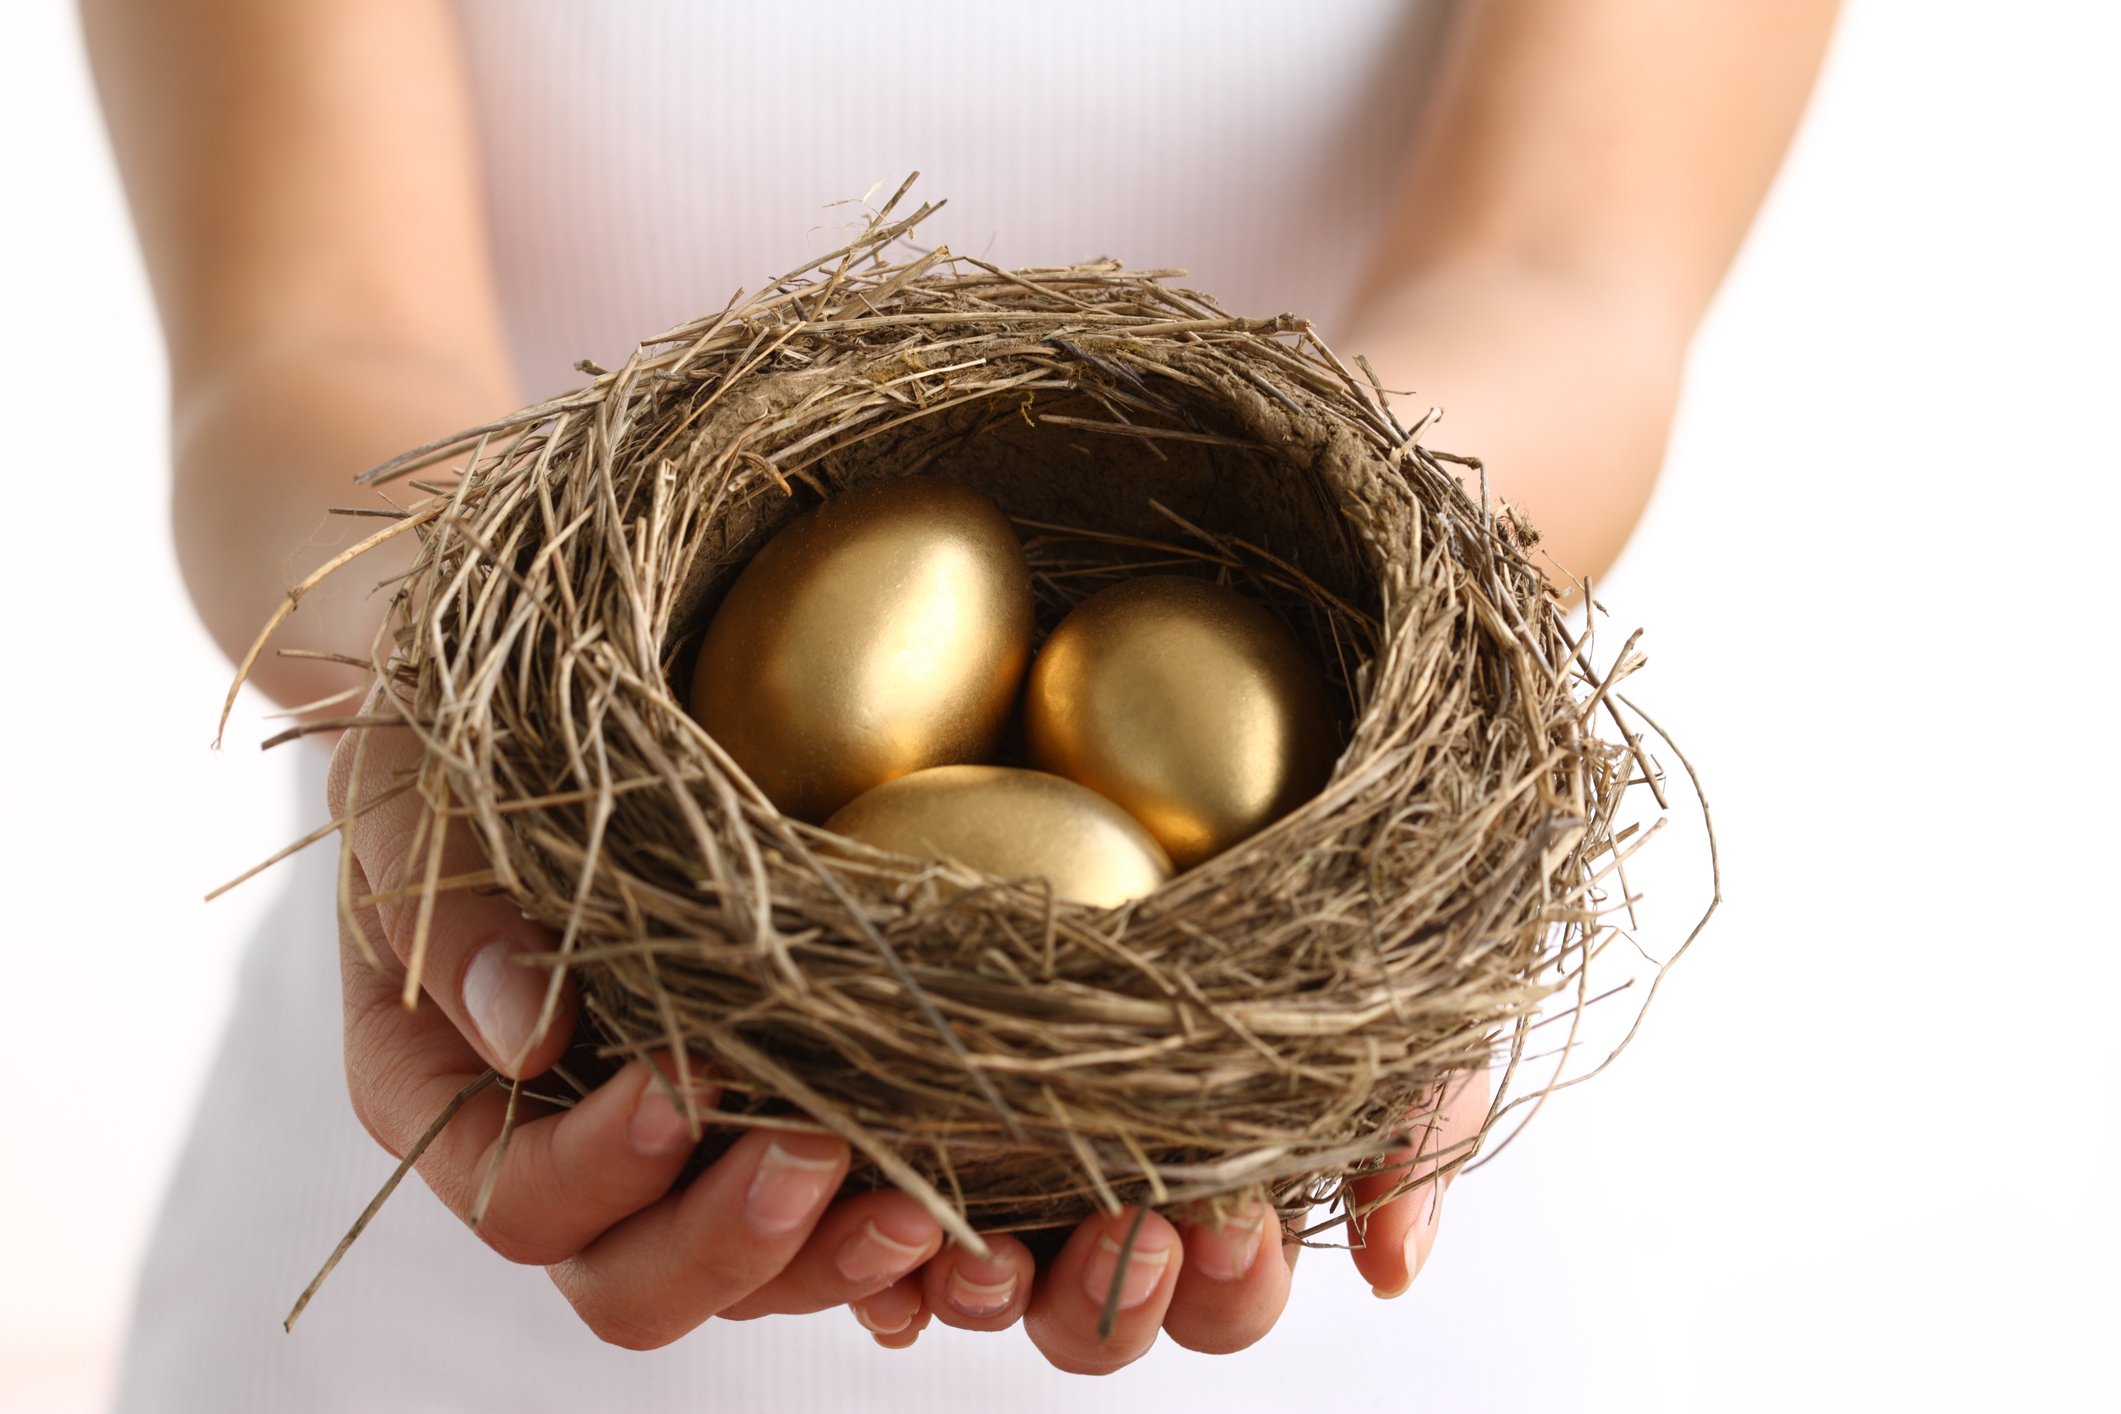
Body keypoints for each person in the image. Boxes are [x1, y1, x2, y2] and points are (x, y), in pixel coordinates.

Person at [84, 1, 1837, 1407]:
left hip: (1327, 1146)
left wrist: (1416, 698)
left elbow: (1560, 285)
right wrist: (442, 673)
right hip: (534, 1041)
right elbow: (301, 342)